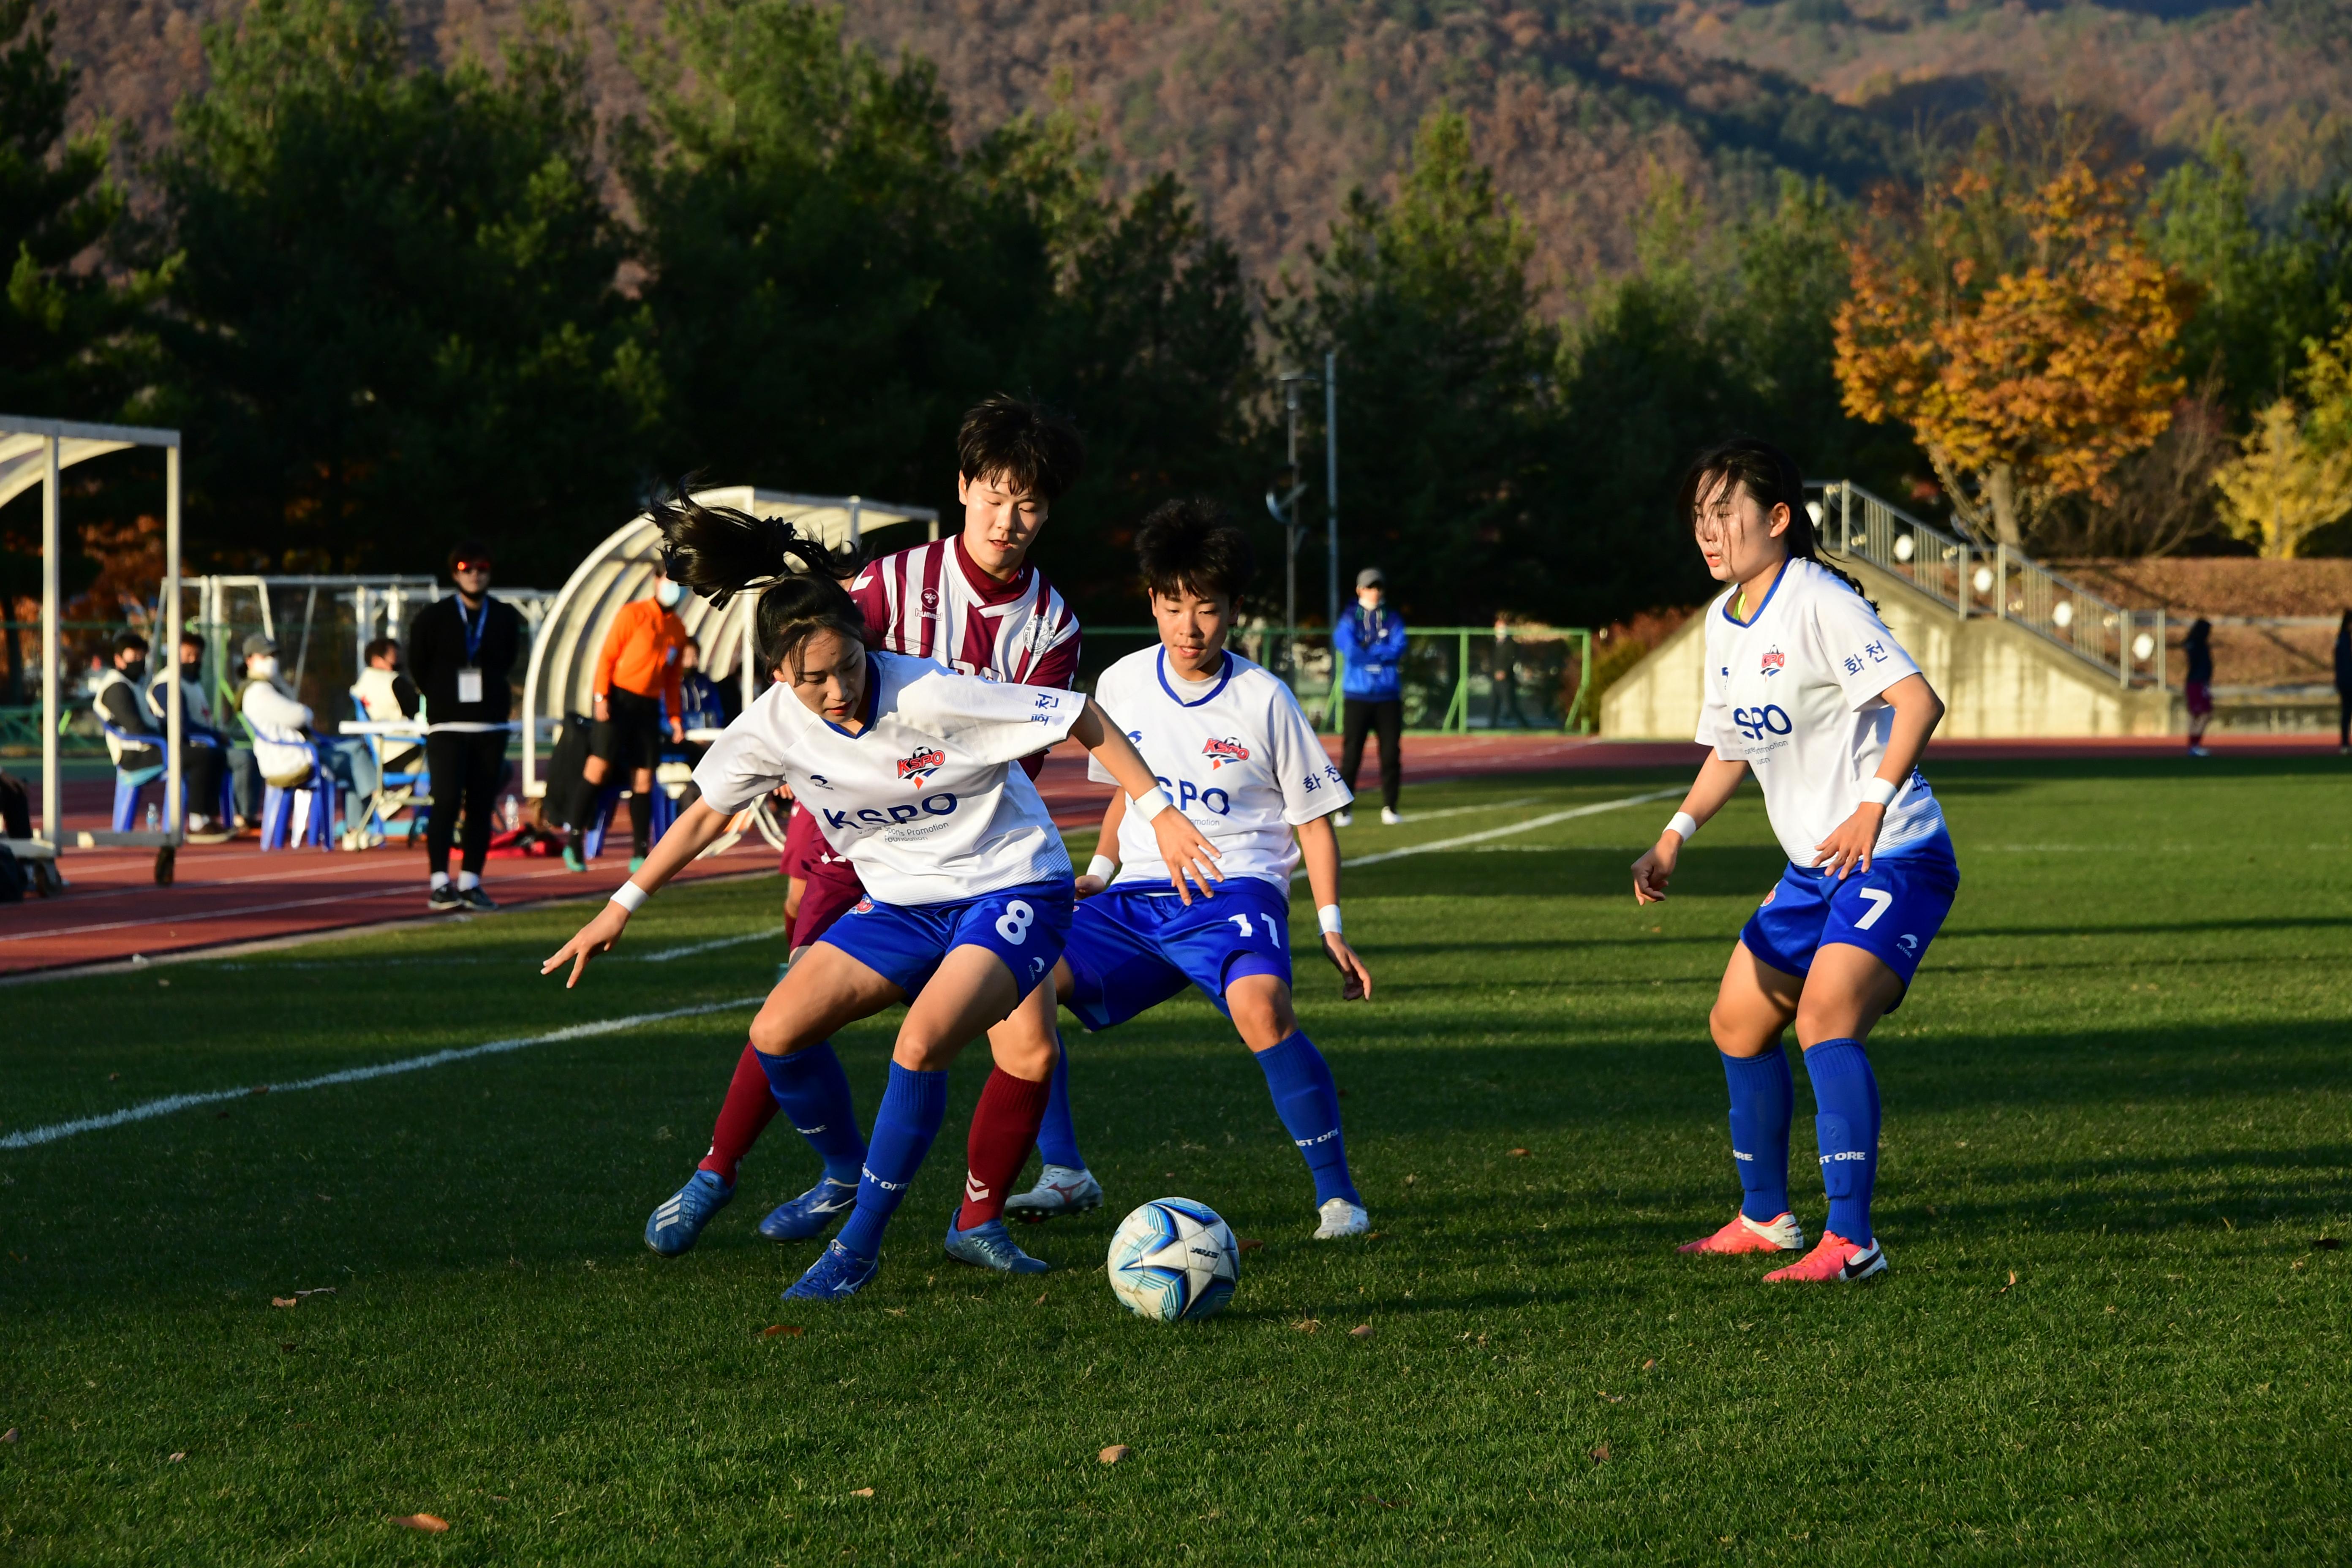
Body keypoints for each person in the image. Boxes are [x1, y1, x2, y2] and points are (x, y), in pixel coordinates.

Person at [542, 498, 1218, 1303]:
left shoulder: (927, 694)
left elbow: (1080, 714)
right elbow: (704, 813)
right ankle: (839, 1173)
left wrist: (1159, 812)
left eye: (848, 666)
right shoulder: (768, 727)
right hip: (902, 903)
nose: (836, 691)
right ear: (776, 677)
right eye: (812, 679)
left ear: (866, 644)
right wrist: (620, 905)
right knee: (776, 1029)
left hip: (1011, 884)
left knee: (923, 1043)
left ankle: (858, 1247)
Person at [667, 393, 1089, 1266]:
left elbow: (1027, 751)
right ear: (966, 487)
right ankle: (724, 1166)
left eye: (1032, 503)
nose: (1011, 520)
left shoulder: (1052, 623)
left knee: (1030, 1043)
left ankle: (977, 1219)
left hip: (971, 845)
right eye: (997, 496)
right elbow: (813, 680)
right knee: (792, 1008)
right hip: (849, 839)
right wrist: (809, 839)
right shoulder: (891, 582)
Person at [1631, 437, 1956, 1286]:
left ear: (1778, 518)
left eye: (1725, 514)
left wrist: (1869, 805)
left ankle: (1852, 1239)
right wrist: (1676, 832)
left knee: (1824, 1018)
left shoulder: (1817, 599)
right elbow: (1732, 747)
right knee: (1738, 1020)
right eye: (1698, 518)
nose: (1708, 533)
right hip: (1819, 866)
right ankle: (1767, 1216)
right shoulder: (1726, 618)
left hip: (1895, 853)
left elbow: (1918, 701)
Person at [1002, 500, 1375, 1239]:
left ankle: (1339, 1199)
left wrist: (1331, 926)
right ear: (1152, 601)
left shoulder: (1264, 698)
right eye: (1173, 607)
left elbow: (1313, 821)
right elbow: (1124, 794)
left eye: (1206, 609)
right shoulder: (1122, 683)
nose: (1189, 627)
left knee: (1261, 1008)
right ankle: (1065, 1171)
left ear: (1233, 609)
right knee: (1015, 981)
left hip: (1233, 890)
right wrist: (1102, 867)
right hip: (1134, 899)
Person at [408, 542, 526, 911]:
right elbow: (419, 665)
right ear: (455, 573)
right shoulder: (434, 616)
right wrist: (442, 697)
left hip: (490, 727)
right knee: (444, 801)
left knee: (480, 805)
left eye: (482, 567)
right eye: (466, 567)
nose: (474, 573)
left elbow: (507, 660)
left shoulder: (505, 616)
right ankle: (440, 882)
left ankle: (472, 881)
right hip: (447, 724)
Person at [566, 561, 688, 873]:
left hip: (647, 708)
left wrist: (675, 718)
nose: (676, 587)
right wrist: (601, 697)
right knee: (599, 768)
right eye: (671, 580)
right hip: (619, 700)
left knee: (645, 776)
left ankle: (640, 851)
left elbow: (673, 680)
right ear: (657, 580)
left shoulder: (678, 629)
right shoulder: (633, 614)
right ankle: (574, 840)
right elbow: (607, 656)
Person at [238, 634, 379, 830]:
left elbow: (294, 711)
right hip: (291, 758)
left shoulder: (269, 686)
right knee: (355, 754)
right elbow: (297, 715)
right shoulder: (259, 691)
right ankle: (376, 801)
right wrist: (306, 711)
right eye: (265, 656)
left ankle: (358, 826)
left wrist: (282, 687)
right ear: (250, 660)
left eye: (273, 655)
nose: (272, 661)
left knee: (354, 758)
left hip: (297, 752)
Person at [142, 631, 235, 840]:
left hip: (191, 743)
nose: (193, 660)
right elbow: (180, 724)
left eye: (197, 655)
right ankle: (196, 822)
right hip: (168, 747)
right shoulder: (166, 683)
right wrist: (213, 735)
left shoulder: (192, 683)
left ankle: (213, 817)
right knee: (206, 756)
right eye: (188, 655)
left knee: (217, 755)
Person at [1331, 566, 1406, 827]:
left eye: (1378, 587)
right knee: (1352, 754)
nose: (1374, 592)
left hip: (1387, 696)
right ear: (1359, 590)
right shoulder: (1349, 618)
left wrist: (1372, 653)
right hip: (1358, 695)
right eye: (1369, 587)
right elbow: (1349, 650)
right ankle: (1344, 809)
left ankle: (1391, 807)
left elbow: (1399, 648)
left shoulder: (1393, 617)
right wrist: (1379, 653)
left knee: (1390, 754)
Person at [353, 637, 424, 777]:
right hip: (404, 748)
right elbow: (419, 710)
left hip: (380, 751)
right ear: (377, 660)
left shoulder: (361, 685)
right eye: (394, 656)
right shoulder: (393, 682)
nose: (398, 661)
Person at [2183, 618, 2215, 757]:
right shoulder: (2198, 645)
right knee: (2205, 713)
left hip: (2194, 682)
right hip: (2198, 682)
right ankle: (2194, 745)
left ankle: (2193, 745)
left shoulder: (2192, 643)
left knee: (2195, 714)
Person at [2332, 610, 2349, 754]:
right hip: (2347, 683)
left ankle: (2345, 744)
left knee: (2346, 713)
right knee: (2346, 713)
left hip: (2345, 682)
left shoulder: (2342, 639)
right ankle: (2345, 744)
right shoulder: (2344, 640)